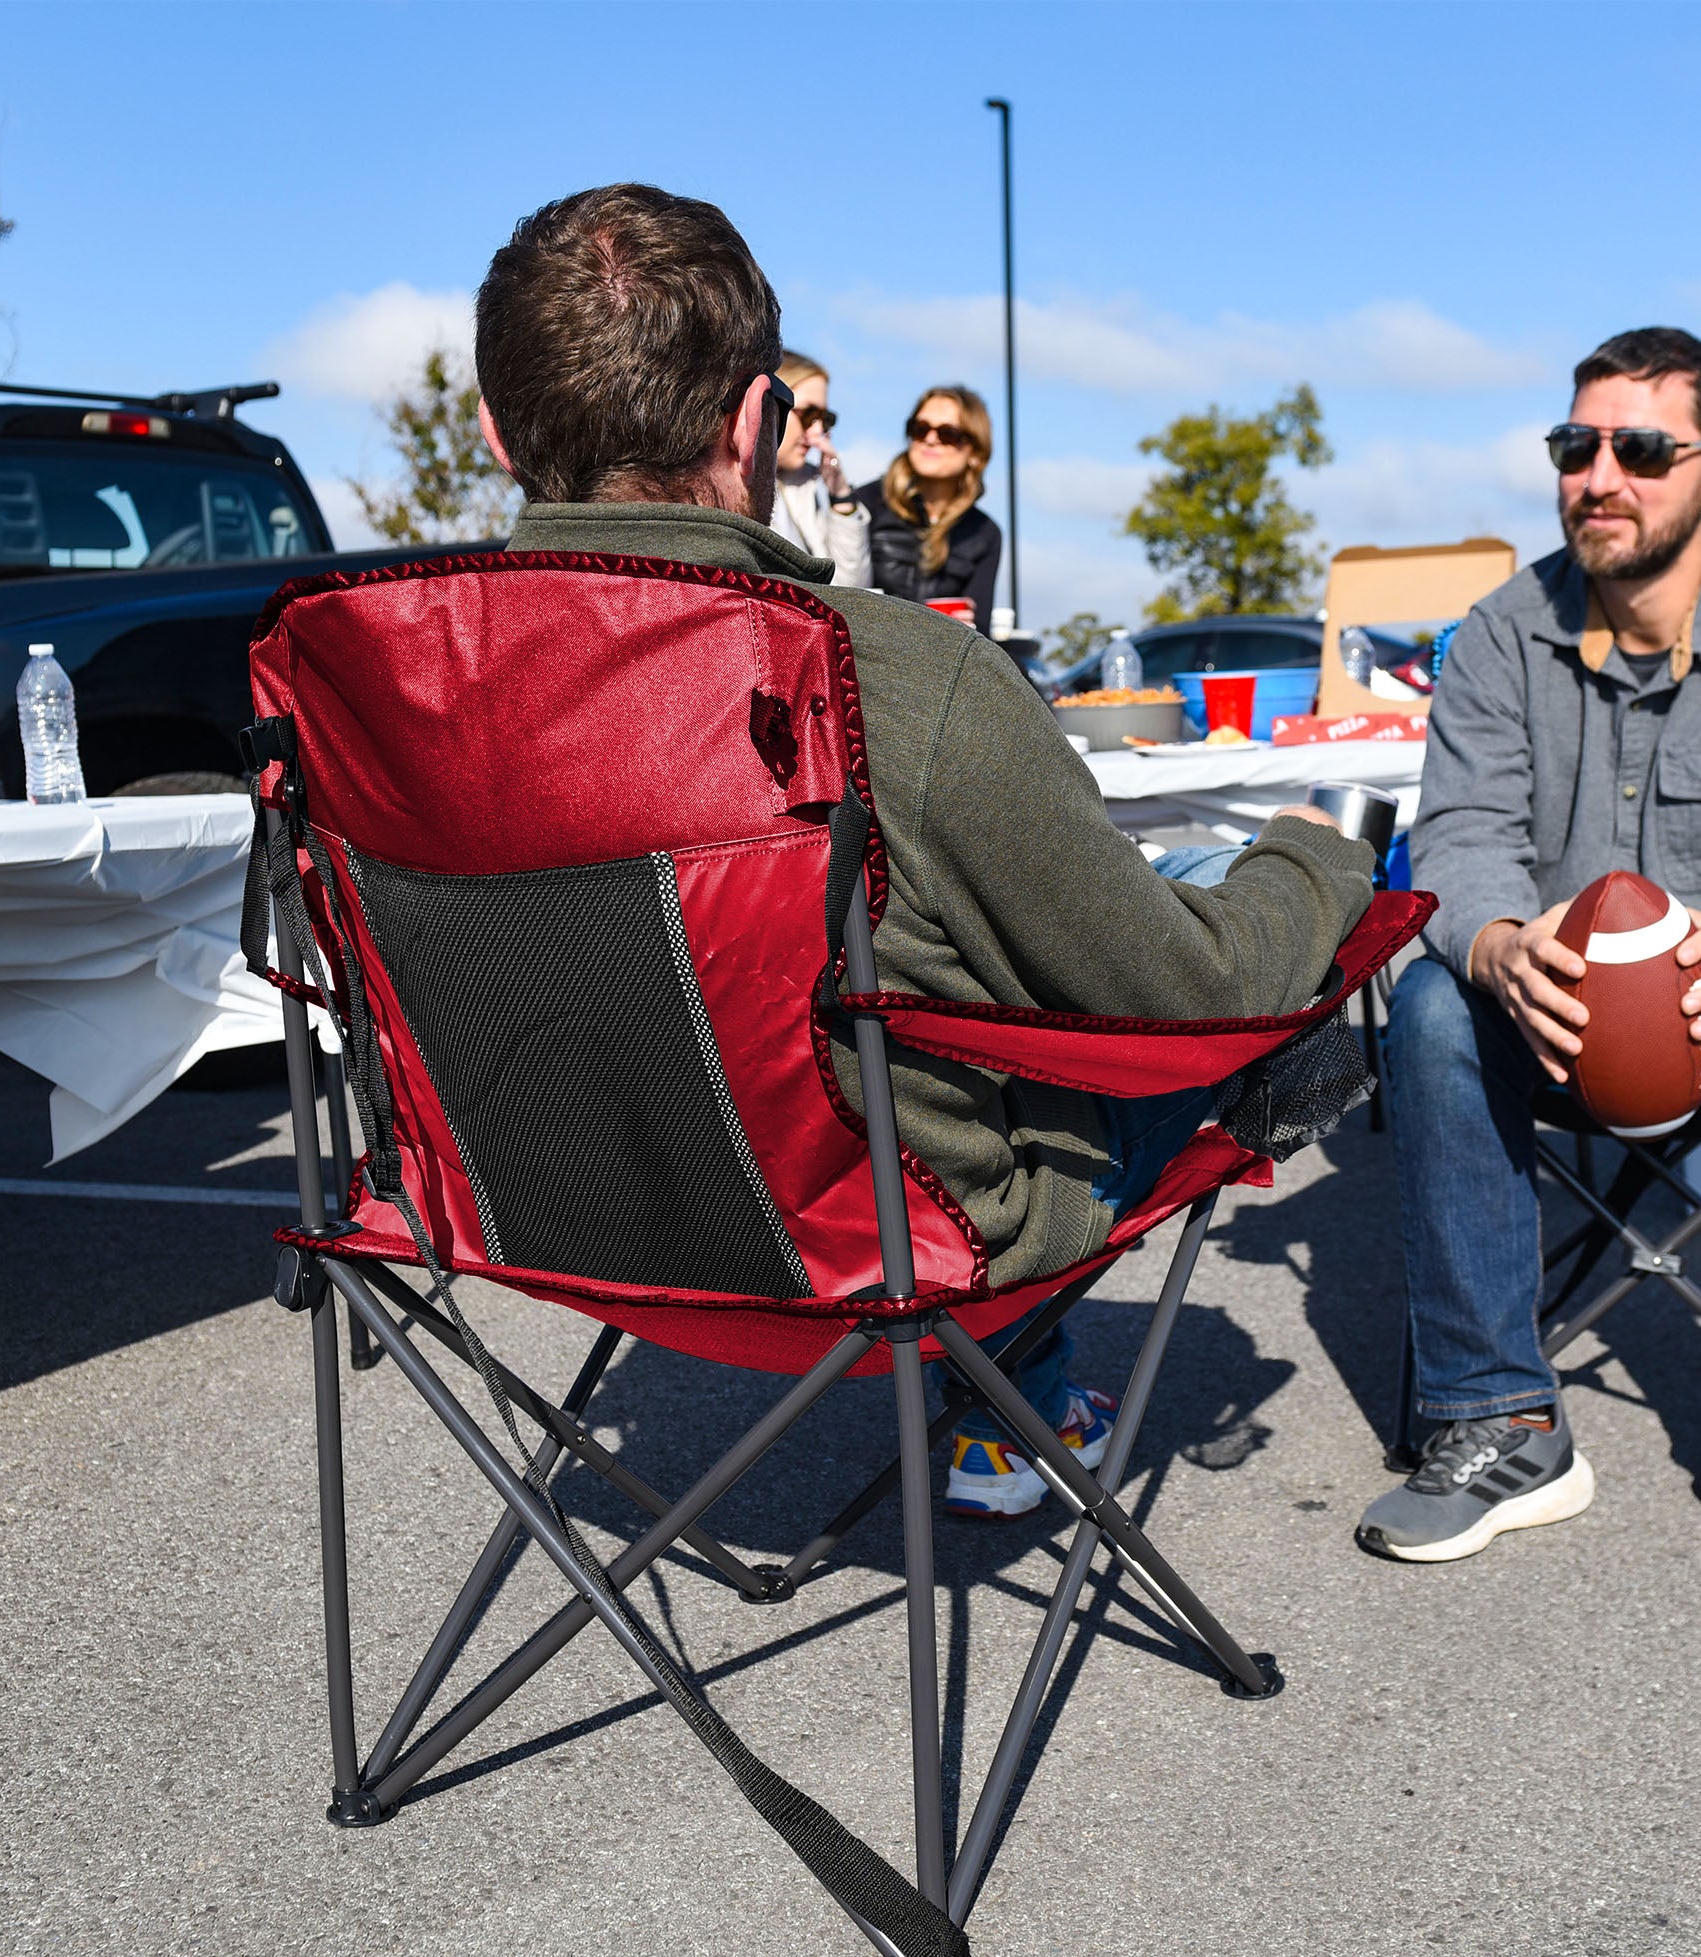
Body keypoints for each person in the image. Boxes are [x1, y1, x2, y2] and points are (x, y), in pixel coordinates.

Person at [472, 184, 1375, 1517]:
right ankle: (1013, 1397)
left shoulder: (400, 690)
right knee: (1238, 950)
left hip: (540, 1214)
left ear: (496, 432)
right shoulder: (888, 675)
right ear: (753, 423)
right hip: (874, 1245)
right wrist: (1316, 864)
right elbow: (1184, 994)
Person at [1360, 327, 1701, 1581]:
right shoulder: (1500, 631)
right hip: (1552, 1021)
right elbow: (1456, 834)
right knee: (1428, 1000)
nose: (1598, 476)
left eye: (1638, 448)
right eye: (1575, 446)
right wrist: (1500, 940)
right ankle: (1497, 1419)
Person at [855, 386, 1002, 633]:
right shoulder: (866, 503)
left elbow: (982, 631)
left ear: (975, 453)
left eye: (948, 434)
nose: (930, 439)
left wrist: (967, 626)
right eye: (920, 429)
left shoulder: (985, 533)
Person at [769, 350, 871, 586]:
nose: (817, 433)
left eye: (824, 419)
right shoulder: (730, 482)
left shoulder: (809, 485)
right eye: (808, 415)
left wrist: (841, 497)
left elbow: (853, 592)